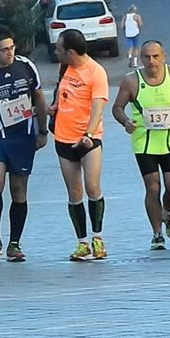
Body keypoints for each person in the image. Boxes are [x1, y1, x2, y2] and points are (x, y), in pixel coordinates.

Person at [0, 25, 48, 262]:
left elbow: (39, 98)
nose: (9, 53)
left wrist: (43, 131)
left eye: (11, 47)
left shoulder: (26, 66)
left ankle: (15, 242)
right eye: (4, 50)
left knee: (19, 190)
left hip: (23, 137)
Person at [112, 40, 170, 250]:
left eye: (155, 56)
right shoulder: (131, 81)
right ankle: (157, 234)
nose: (151, 61)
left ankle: (165, 211)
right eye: (147, 57)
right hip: (144, 144)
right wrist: (125, 121)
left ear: (163, 56)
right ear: (141, 59)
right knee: (153, 187)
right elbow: (117, 108)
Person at [51, 29, 109, 261]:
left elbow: (97, 107)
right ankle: (82, 242)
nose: (56, 52)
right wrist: (54, 106)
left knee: (92, 187)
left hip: (88, 139)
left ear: (71, 52)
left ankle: (98, 237)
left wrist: (89, 133)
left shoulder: (96, 72)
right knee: (74, 192)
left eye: (59, 49)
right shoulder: (65, 67)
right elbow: (62, 94)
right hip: (63, 138)